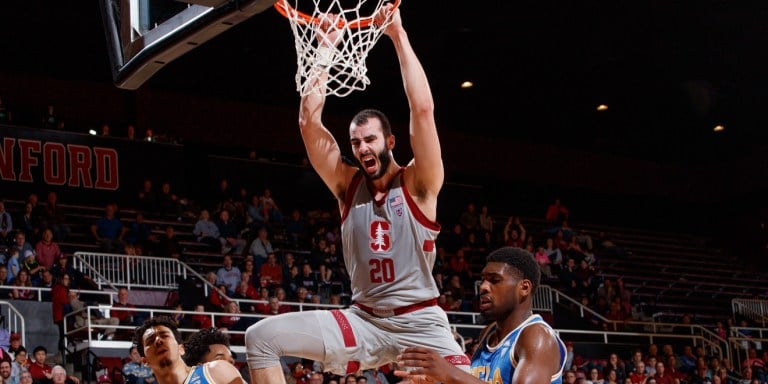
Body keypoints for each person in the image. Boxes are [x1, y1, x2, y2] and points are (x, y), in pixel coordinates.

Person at [245, 5, 470, 382]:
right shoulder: (347, 185)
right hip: (363, 319)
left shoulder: (419, 183)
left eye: (370, 139)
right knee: (260, 338)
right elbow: (307, 123)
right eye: (356, 142)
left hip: (420, 324)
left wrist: (398, 36)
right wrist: (326, 48)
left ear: (390, 142)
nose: (363, 148)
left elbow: (424, 109)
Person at [394, 246, 566, 384]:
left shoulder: (536, 336)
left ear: (524, 288)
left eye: (494, 280)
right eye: (483, 279)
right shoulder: (489, 334)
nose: (483, 286)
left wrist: (451, 374)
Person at [132, 316, 245, 384]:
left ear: (181, 349)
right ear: (145, 361)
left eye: (165, 335)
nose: (158, 341)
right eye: (150, 341)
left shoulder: (216, 370)